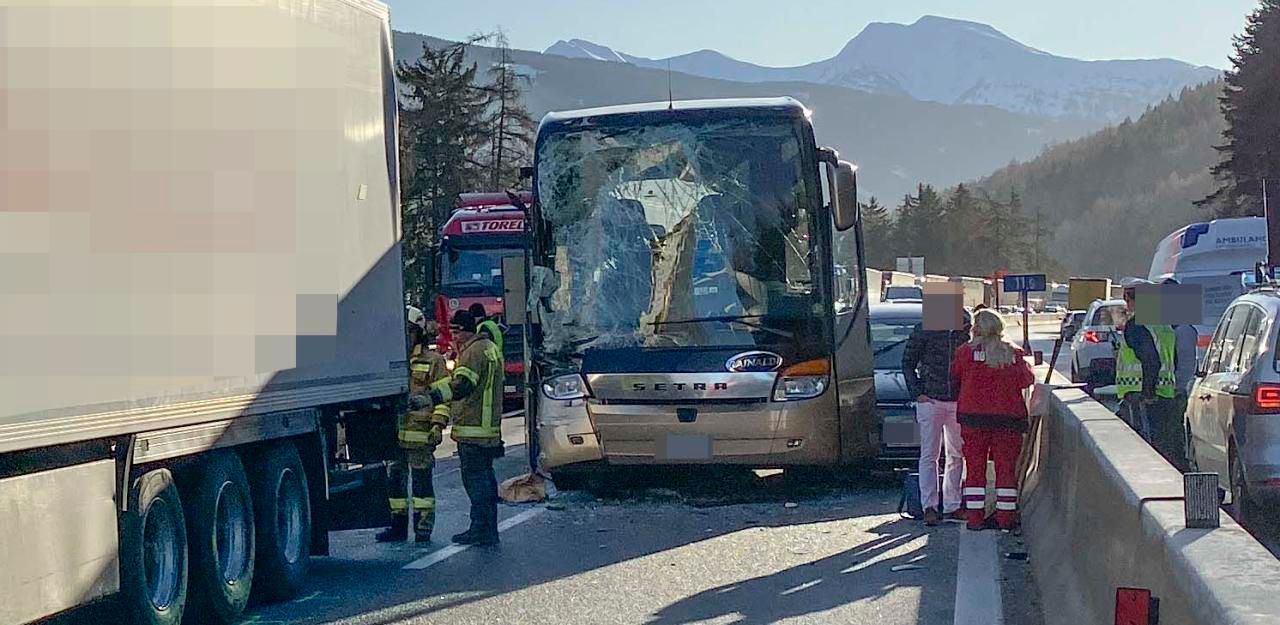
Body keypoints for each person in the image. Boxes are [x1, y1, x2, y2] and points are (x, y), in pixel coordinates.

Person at [412, 310, 505, 545]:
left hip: (473, 429)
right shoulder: (490, 348)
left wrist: (430, 398)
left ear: (462, 332)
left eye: (454, 332)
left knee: (476, 482)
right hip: (488, 429)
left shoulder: (473, 352)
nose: (453, 338)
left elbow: (462, 385)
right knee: (486, 480)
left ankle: (480, 530)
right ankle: (488, 529)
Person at [951, 310, 1035, 531]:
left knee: (975, 469)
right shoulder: (1013, 353)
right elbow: (1027, 380)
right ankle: (1006, 519)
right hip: (1008, 420)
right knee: (1005, 469)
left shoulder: (965, 353)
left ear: (976, 328)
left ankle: (975, 518)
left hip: (973, 419)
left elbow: (955, 375)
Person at [378, 311, 451, 542]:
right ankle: (397, 528)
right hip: (394, 434)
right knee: (394, 483)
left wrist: (437, 425)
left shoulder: (434, 361)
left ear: (418, 333)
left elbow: (443, 399)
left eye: (408, 331)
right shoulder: (389, 360)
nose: (404, 337)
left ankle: (423, 529)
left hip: (421, 434)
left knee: (421, 485)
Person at [902, 309, 973, 526]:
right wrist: (917, 394)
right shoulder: (925, 329)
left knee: (957, 454)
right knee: (929, 454)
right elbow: (907, 363)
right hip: (930, 400)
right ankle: (929, 506)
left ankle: (952, 505)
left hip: (957, 401)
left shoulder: (966, 331)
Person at [1114, 278, 1179, 464]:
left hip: (1142, 397)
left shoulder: (1136, 325)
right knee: (1165, 450)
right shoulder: (1163, 324)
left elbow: (1151, 360)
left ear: (1129, 297)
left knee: (1146, 452)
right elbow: (1172, 360)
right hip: (1166, 394)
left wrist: (1147, 393)